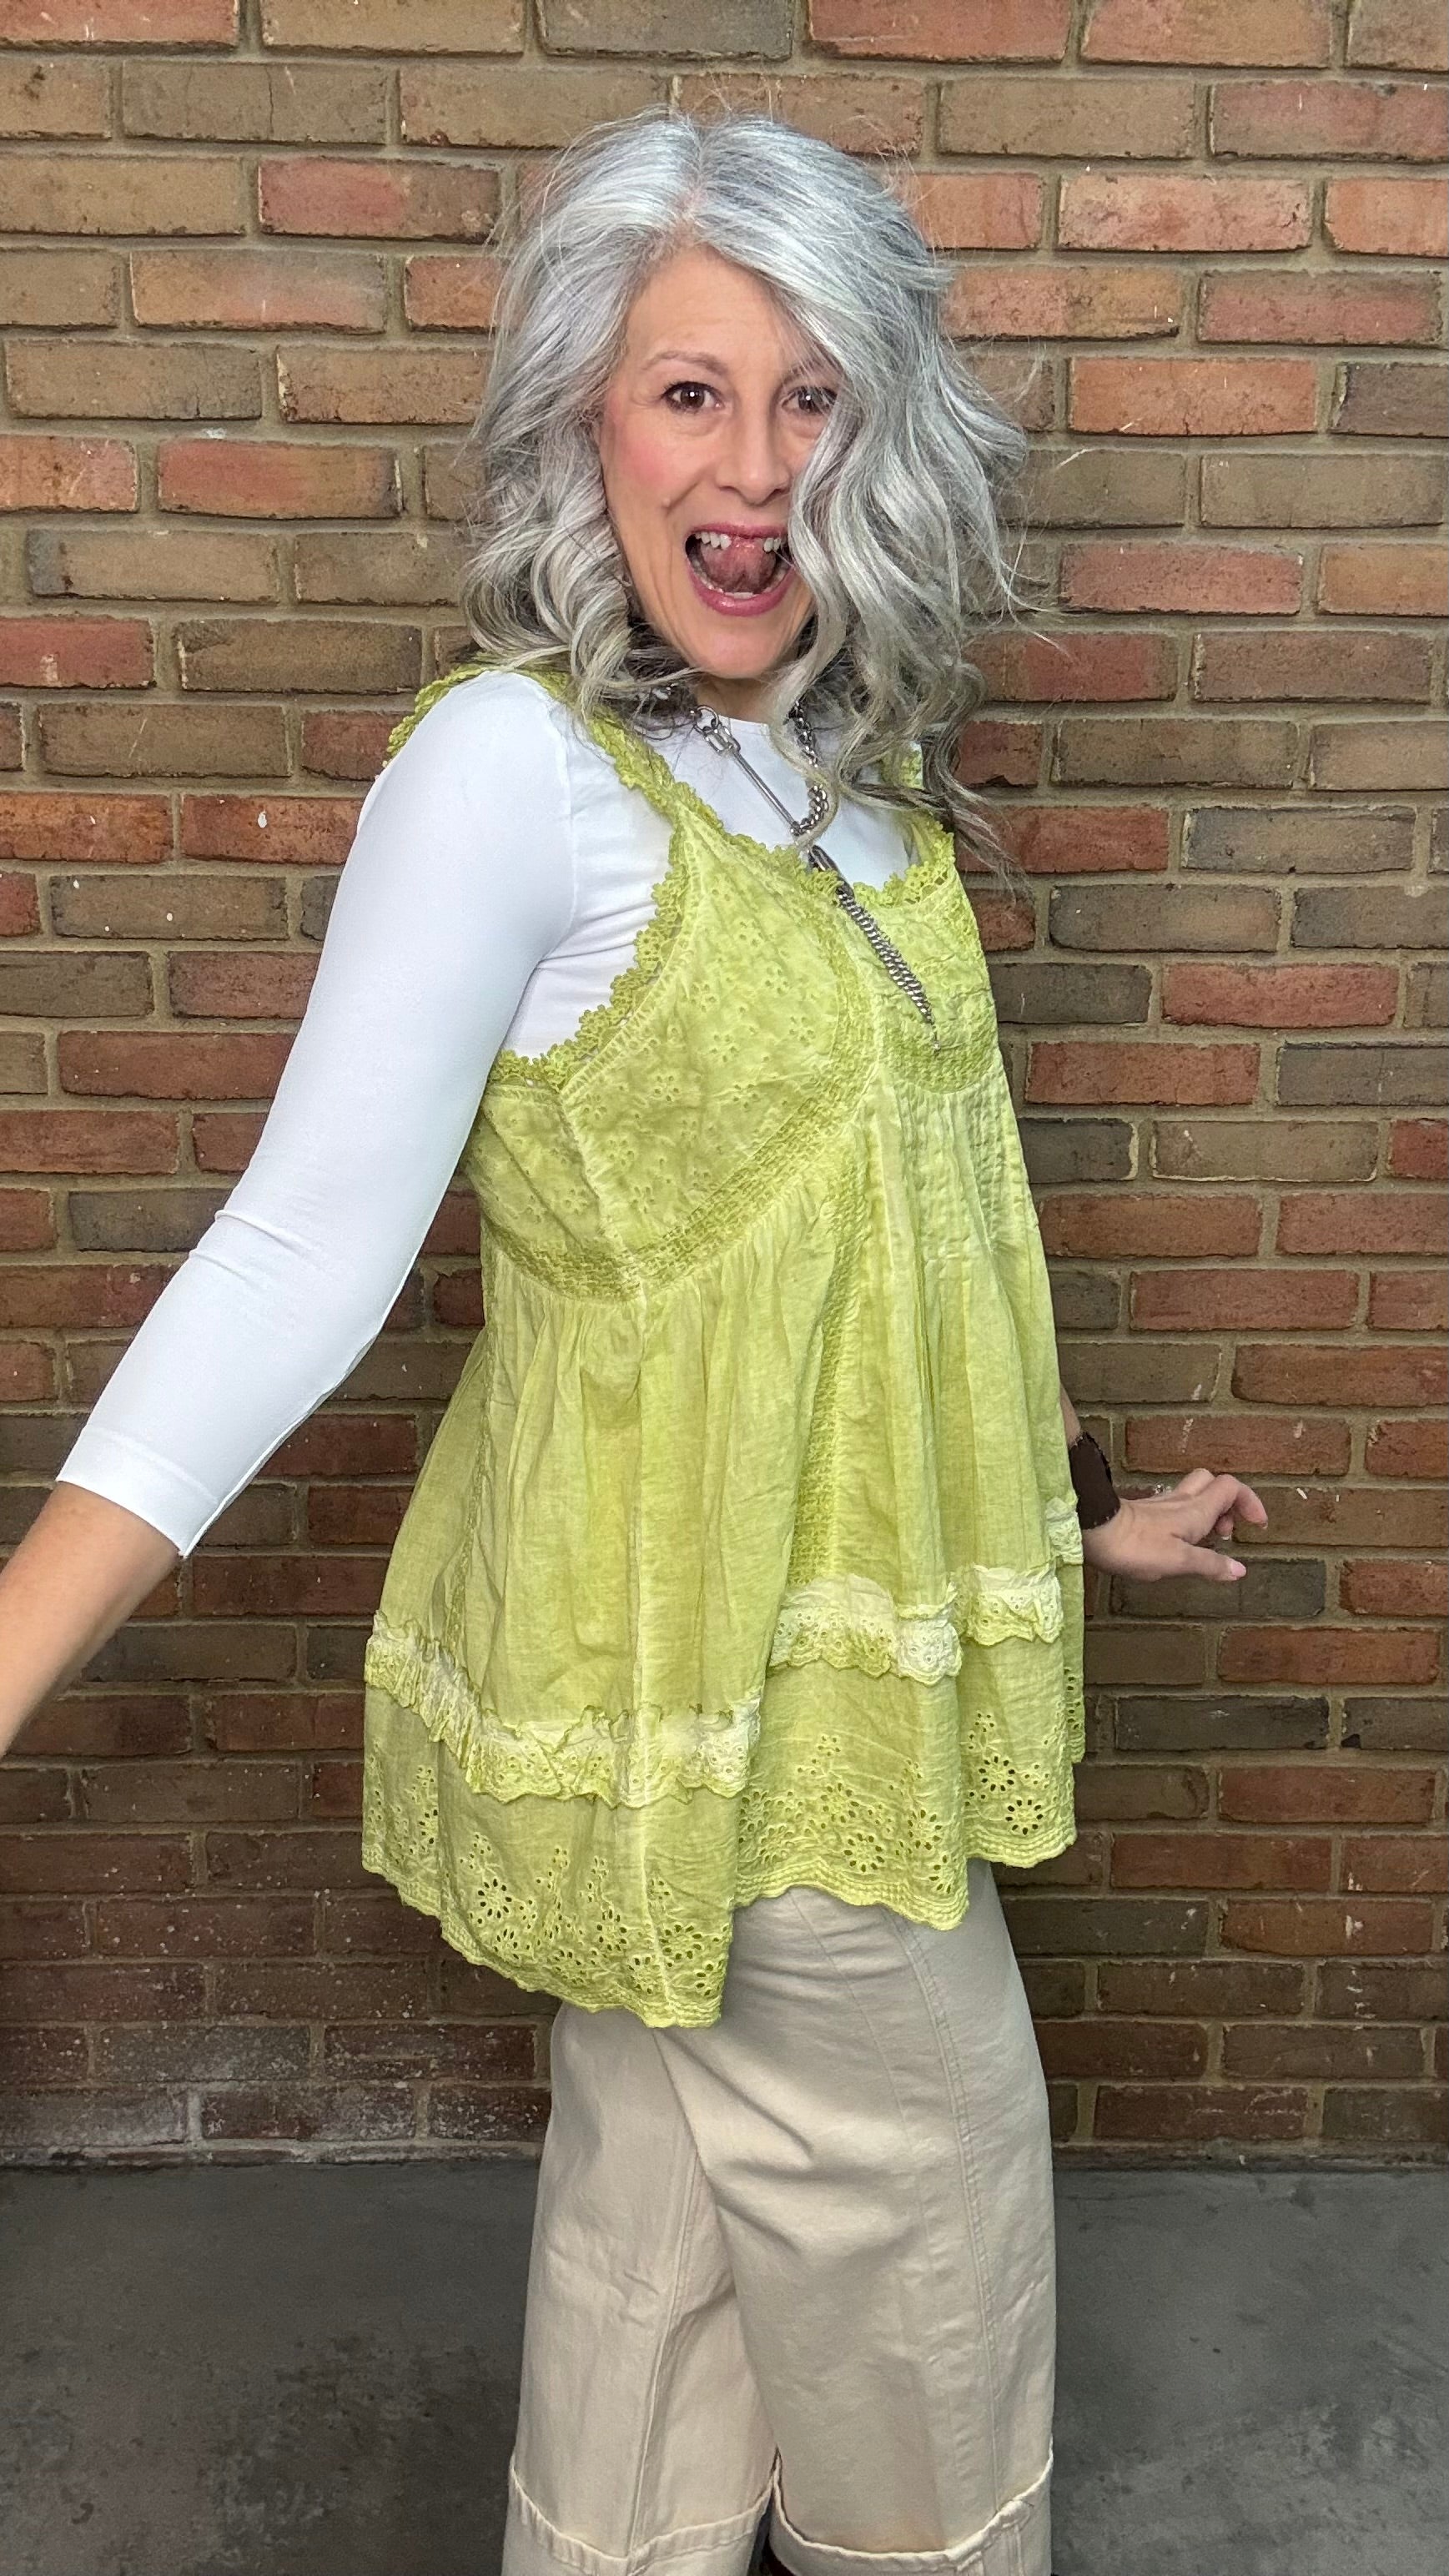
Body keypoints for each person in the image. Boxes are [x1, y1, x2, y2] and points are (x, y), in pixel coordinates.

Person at [0, 111, 1266, 2576]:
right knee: (929, 2256)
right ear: (582, 414)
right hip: (723, 1695)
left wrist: (1048, 1532)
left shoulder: (846, 775)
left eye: (815, 401)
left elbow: (861, 1267)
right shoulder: (508, 777)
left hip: (767, 1679)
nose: (756, 467)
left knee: (660, 2263)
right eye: (692, 391)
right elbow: (292, 1256)